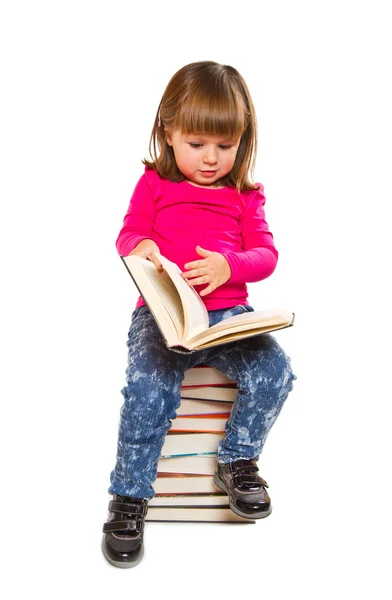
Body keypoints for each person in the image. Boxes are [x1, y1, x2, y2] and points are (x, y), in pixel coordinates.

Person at [102, 61, 296, 568]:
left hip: (229, 315)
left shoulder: (244, 196)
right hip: (163, 317)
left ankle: (236, 462)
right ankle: (129, 496)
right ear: (169, 133)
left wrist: (228, 264)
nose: (211, 159)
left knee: (275, 373)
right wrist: (142, 245)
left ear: (242, 142)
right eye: (197, 144)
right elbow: (128, 234)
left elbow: (266, 255)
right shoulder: (154, 185)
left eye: (225, 146)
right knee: (148, 388)